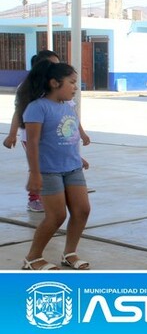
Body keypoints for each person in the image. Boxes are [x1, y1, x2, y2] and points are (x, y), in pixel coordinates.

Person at [19, 61, 91, 270]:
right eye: (71, 82)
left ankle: (70, 253)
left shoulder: (68, 106)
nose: (75, 87)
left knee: (82, 210)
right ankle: (32, 257)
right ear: (54, 83)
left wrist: (78, 157)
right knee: (57, 216)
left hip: (73, 167)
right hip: (48, 171)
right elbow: (32, 142)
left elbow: (68, 136)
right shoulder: (37, 108)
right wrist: (34, 173)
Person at [3, 50, 91, 212]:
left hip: (57, 136)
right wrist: (11, 134)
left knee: (55, 156)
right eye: (53, 65)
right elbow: (19, 111)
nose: (56, 67)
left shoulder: (63, 97)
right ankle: (35, 197)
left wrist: (81, 138)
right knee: (39, 164)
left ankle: (60, 190)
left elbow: (71, 119)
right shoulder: (32, 90)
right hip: (31, 135)